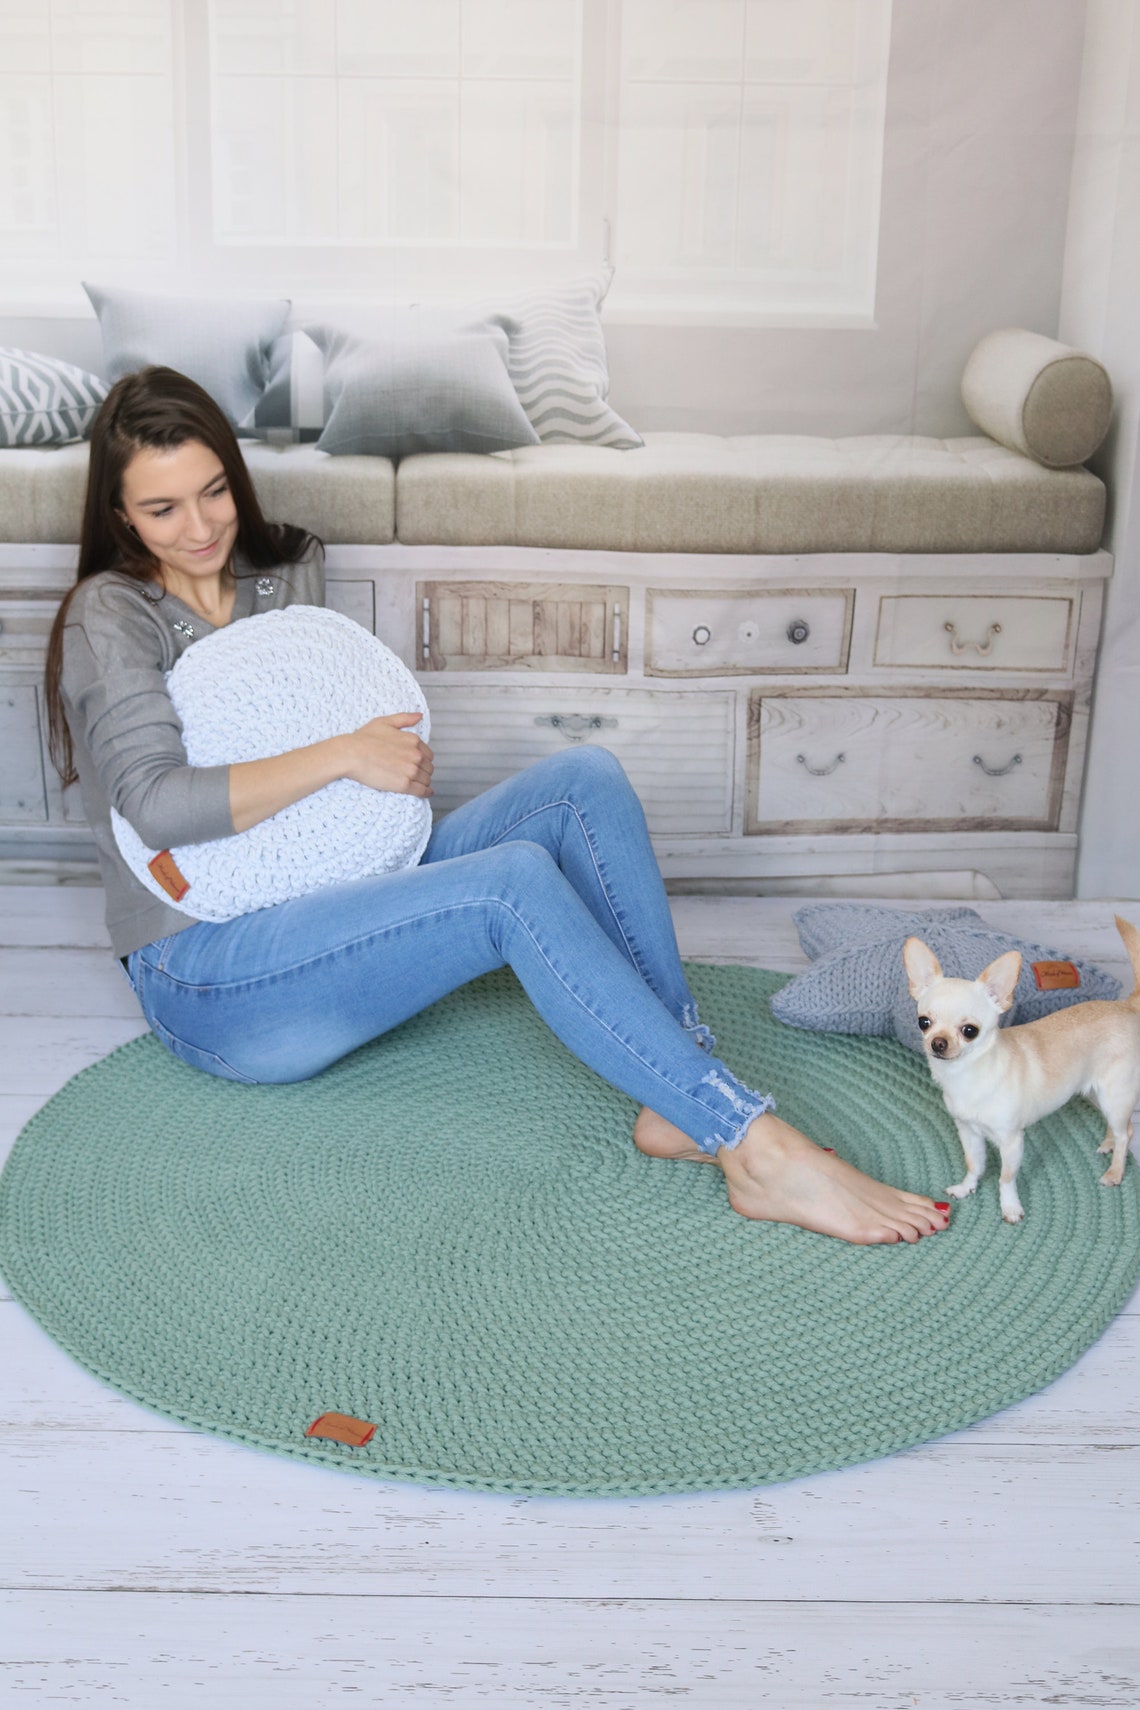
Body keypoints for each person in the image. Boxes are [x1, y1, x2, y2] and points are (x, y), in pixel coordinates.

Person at [44, 365, 951, 1248]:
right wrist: (347, 754)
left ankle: (677, 1091)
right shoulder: (112, 614)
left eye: (213, 492)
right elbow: (159, 806)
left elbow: (334, 753)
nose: (200, 527)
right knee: (508, 884)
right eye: (162, 509)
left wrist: (382, 779)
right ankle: (750, 1144)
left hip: (332, 892)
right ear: (119, 513)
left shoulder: (286, 568)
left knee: (583, 780)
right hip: (210, 972)